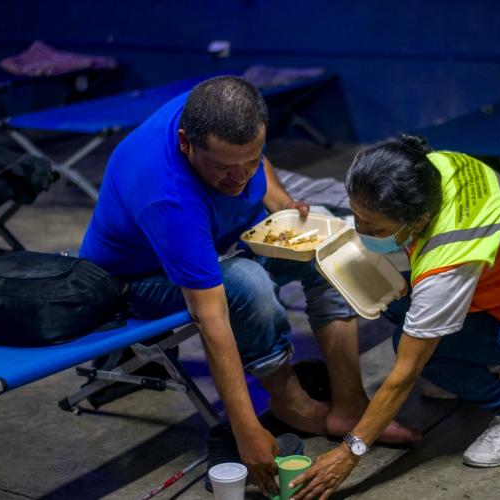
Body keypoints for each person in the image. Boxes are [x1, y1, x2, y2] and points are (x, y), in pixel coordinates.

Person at [78, 76, 418, 496]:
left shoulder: (215, 111)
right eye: (224, 168)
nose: (240, 177)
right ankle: (289, 403)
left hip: (220, 240)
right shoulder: (168, 199)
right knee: (246, 283)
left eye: (251, 161)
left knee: (324, 246)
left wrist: (281, 202)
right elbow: (212, 318)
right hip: (136, 281)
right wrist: (246, 429)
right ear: (185, 144)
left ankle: (349, 406)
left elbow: (249, 159)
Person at [291, 135, 500, 498]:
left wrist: (349, 452)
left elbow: (404, 374)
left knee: (420, 353)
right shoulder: (434, 167)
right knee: (390, 295)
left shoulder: (446, 260)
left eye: (376, 228)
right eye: (358, 217)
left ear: (420, 218)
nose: (362, 232)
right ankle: (482, 364)